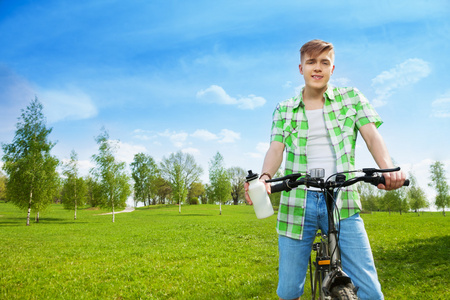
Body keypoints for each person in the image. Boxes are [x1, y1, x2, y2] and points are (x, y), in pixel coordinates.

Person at [245, 39, 406, 300]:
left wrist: (387, 169)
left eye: (324, 62)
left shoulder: (351, 98)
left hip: (342, 201)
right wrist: (265, 179)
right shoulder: (284, 108)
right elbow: (276, 149)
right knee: (288, 292)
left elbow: (372, 136)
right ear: (301, 68)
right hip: (298, 202)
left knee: (372, 293)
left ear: (333, 68)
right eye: (311, 62)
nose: (317, 68)